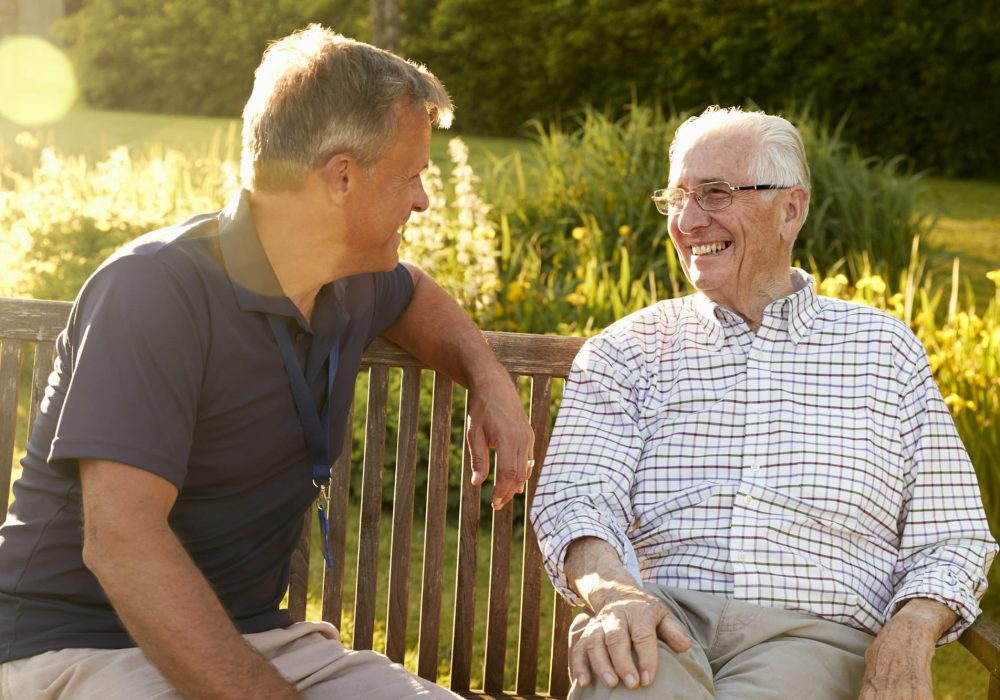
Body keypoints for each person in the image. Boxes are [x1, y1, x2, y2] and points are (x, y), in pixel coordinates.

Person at [0, 26, 534, 700]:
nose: (423, 200)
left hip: (258, 639)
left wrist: (490, 381)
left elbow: (419, 295)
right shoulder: (154, 290)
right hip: (77, 646)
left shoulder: (350, 277)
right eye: (412, 176)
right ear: (342, 177)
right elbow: (122, 544)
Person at [531, 106, 997, 700]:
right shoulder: (627, 351)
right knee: (626, 687)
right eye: (677, 197)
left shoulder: (882, 350)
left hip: (815, 636)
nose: (689, 220)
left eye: (716, 195)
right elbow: (576, 499)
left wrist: (910, 629)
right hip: (659, 619)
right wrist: (617, 594)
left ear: (791, 209)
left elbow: (951, 534)